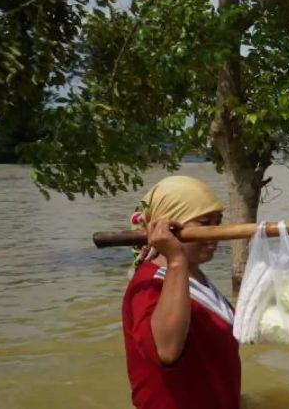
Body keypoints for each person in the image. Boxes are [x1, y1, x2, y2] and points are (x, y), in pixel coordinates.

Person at [121, 175, 240, 409]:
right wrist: (175, 258)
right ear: (169, 228)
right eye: (205, 223)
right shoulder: (149, 285)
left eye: (219, 221)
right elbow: (165, 351)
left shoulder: (193, 275)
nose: (216, 233)